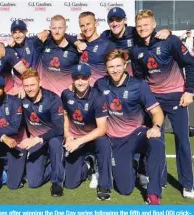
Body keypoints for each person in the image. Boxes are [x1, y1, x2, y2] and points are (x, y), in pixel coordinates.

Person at [130, 9, 194, 199]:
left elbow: (190, 64)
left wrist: (190, 91)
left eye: (146, 25)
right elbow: (140, 78)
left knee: (182, 140)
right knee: (156, 139)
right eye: (139, 26)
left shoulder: (170, 41)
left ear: (154, 24)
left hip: (176, 97)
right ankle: (159, 179)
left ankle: (188, 184)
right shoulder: (136, 50)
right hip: (154, 100)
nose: (142, 29)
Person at [95, 49, 165, 204]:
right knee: (125, 189)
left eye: (118, 65)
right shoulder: (100, 84)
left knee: (157, 142)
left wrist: (156, 126)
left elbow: (157, 112)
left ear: (125, 65)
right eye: (111, 67)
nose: (115, 70)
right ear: (106, 68)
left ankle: (153, 193)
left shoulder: (139, 85)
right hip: (116, 141)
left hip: (136, 135)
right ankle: (134, 163)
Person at [61, 64, 112, 200]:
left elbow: (102, 128)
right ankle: (89, 165)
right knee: (70, 184)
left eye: (84, 77)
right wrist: (67, 135)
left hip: (94, 137)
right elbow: (65, 116)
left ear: (90, 78)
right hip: (76, 137)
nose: (80, 81)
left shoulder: (98, 97)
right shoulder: (66, 94)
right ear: (72, 79)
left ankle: (104, 184)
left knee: (104, 143)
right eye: (76, 78)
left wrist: (79, 141)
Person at [18, 69, 65, 197]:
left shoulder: (53, 99)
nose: (29, 89)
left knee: (55, 143)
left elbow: (59, 128)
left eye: (32, 85)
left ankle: (57, 183)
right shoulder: (22, 100)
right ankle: (60, 163)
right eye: (26, 86)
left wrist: (37, 139)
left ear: (39, 82)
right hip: (37, 142)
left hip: (52, 137)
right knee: (33, 182)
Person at [34, 15, 79, 96]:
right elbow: (25, 43)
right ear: (50, 28)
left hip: (65, 97)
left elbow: (80, 71)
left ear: (66, 28)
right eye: (54, 28)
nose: (57, 31)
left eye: (60, 28)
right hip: (45, 97)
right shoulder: (44, 43)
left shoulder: (74, 48)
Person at [73, 11, 116, 86]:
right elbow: (66, 37)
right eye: (82, 25)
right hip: (82, 89)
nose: (85, 28)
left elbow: (114, 70)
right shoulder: (80, 43)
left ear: (95, 23)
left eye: (88, 24)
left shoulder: (107, 45)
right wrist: (77, 42)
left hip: (99, 90)